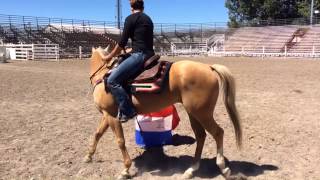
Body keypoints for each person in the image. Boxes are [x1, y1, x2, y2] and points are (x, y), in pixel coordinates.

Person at [104, 0, 155, 122]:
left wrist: (109, 56)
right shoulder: (148, 19)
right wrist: (131, 50)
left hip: (139, 55)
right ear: (142, 7)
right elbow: (143, 41)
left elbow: (121, 43)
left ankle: (128, 110)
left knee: (112, 80)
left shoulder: (131, 18)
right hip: (149, 54)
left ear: (131, 7)